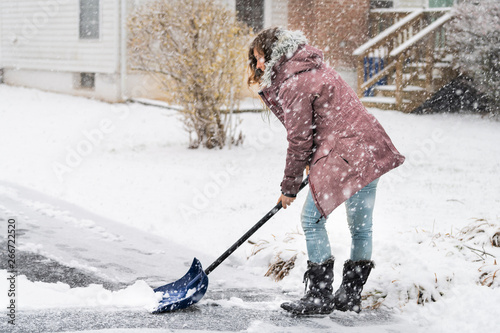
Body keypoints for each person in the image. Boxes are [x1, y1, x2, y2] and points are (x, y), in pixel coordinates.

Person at [247, 27, 405, 315]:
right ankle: (349, 296)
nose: (257, 65)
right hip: (369, 148)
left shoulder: (295, 83)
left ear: (273, 55)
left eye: (260, 58)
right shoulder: (315, 67)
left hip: (345, 154)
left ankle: (319, 297)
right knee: (361, 228)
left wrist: (288, 188)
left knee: (311, 220)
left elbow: (299, 140)